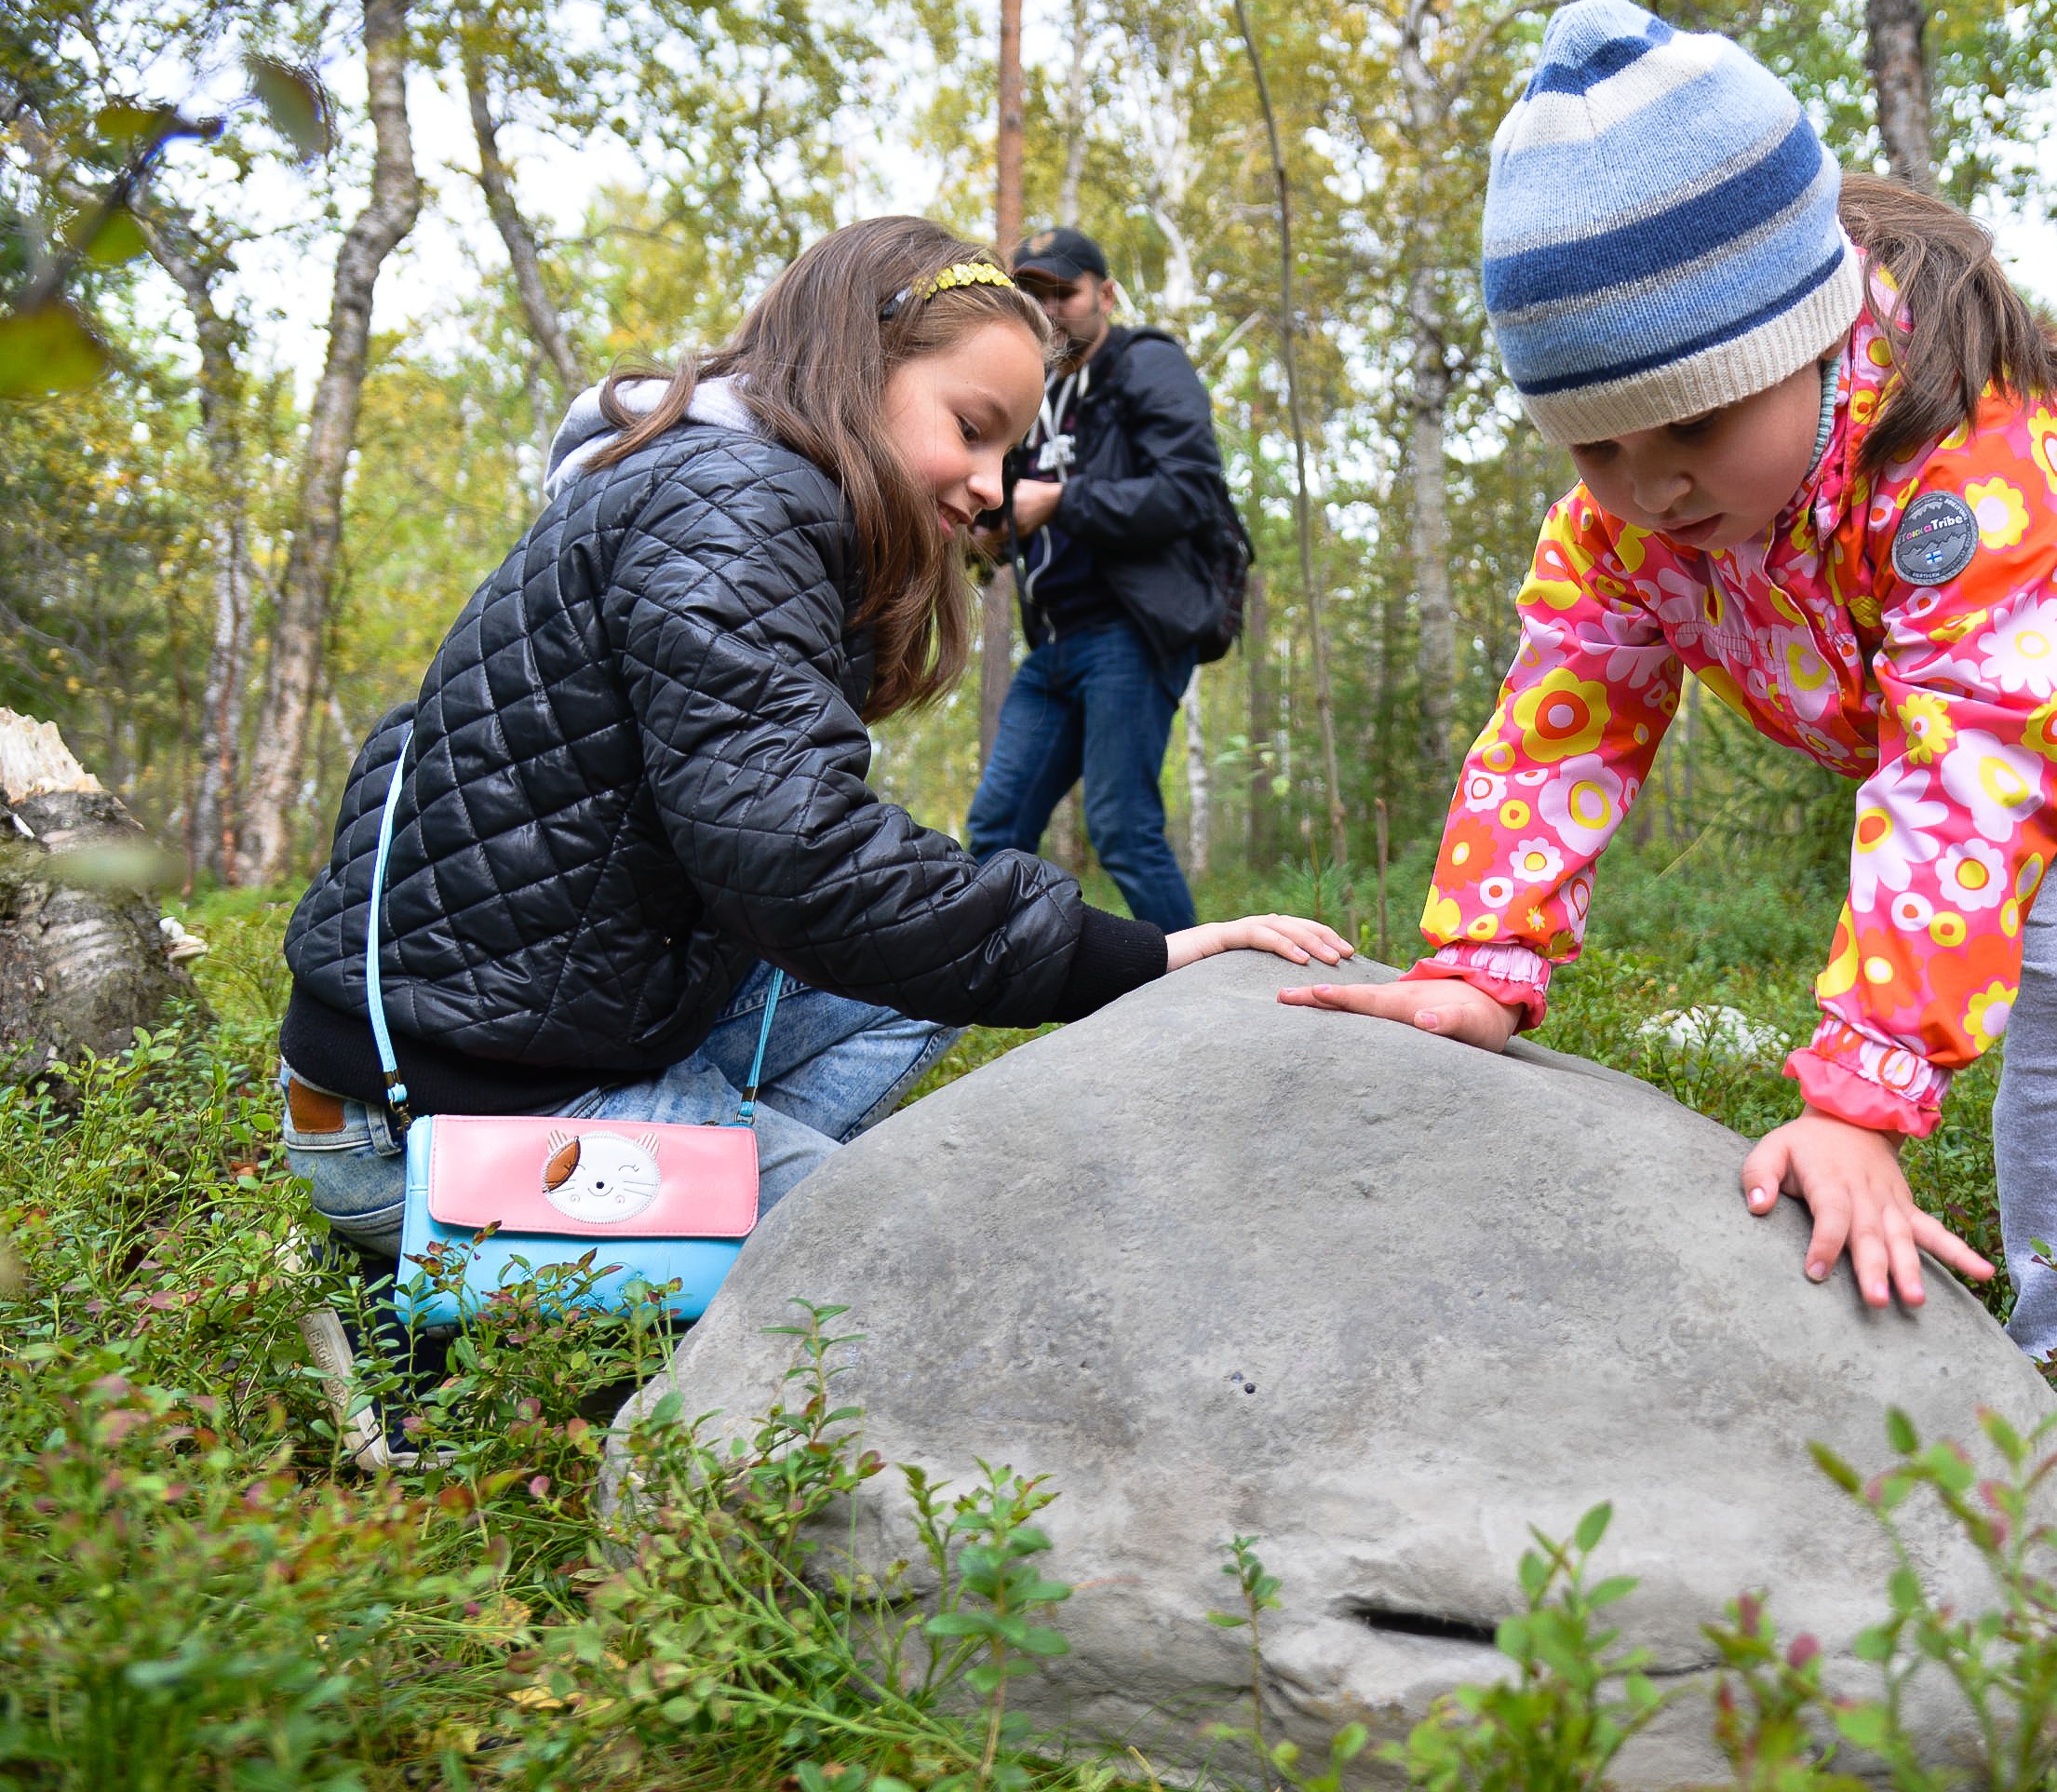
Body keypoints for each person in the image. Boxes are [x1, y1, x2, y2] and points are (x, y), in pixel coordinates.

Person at [1282, 0, 2057, 1371]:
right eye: (1595, 447)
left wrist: (1862, 1097)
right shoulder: (1628, 535)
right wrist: (1487, 955)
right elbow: (1564, 727)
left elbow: (1967, 761)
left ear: (1808, 340)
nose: (1651, 486)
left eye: (1698, 424)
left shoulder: (1964, 464)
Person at [278, 217, 1346, 1298]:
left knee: (932, 970)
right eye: (971, 428)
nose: (988, 486)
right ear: (857, 361)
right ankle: (660, 1223)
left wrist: (1088, 949)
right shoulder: (730, 502)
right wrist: (1141, 960)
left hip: (539, 1031)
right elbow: (802, 860)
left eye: (1008, 456)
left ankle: (710, 1182)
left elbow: (781, 852)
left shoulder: (706, 484)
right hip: (449, 1126)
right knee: (944, 1268)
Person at [962, 226, 1236, 932]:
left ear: (1105, 294)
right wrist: (987, 536)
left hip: (1131, 632)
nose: (1050, 308)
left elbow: (1190, 490)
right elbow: (1004, 503)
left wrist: (1062, 499)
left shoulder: (1144, 365)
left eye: (1065, 292)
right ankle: (992, 991)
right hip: (1052, 641)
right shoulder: (1032, 390)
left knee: (1120, 828)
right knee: (994, 829)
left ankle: (1200, 998)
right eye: (1033, 292)